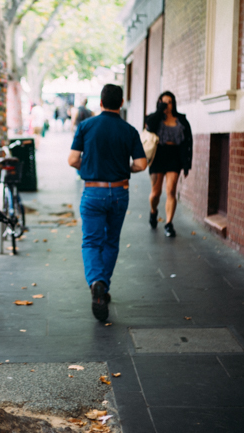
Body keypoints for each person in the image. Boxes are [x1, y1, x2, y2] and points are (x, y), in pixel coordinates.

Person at [68, 84, 147, 322]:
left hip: (93, 192)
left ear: (100, 103)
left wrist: (90, 167)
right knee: (111, 241)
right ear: (121, 103)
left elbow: (73, 160)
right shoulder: (129, 130)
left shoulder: (86, 126)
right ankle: (104, 286)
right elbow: (141, 164)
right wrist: (125, 169)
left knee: (91, 242)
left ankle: (96, 282)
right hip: (120, 191)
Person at [144, 91, 193, 238]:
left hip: (174, 157)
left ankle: (169, 224)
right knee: (155, 193)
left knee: (171, 190)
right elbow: (149, 126)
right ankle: (153, 212)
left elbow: (188, 142)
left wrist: (186, 164)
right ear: (159, 103)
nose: (167, 105)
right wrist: (160, 111)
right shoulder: (155, 118)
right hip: (158, 157)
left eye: (169, 102)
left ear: (174, 103)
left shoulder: (181, 120)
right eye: (164, 102)